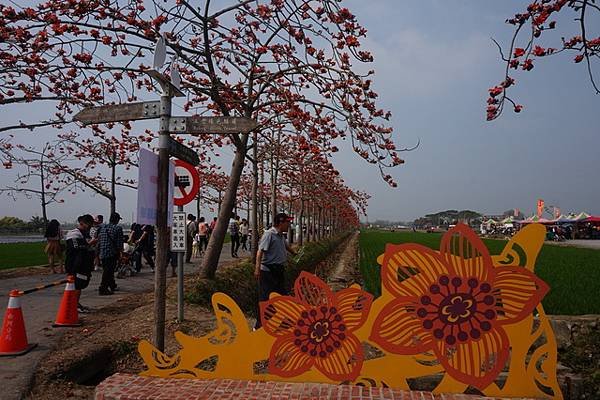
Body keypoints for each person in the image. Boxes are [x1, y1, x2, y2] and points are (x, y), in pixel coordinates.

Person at [254, 213, 296, 329]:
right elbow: (260, 252)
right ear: (281, 223)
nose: (289, 225)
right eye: (288, 222)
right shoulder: (269, 234)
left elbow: (286, 246)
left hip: (278, 271)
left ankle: (284, 323)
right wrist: (257, 269)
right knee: (265, 299)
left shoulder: (280, 236)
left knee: (282, 297)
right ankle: (258, 326)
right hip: (268, 272)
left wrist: (294, 253)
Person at [65, 214, 95, 313]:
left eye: (91, 225)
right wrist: (89, 244)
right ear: (81, 223)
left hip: (84, 265)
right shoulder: (73, 234)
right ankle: (74, 305)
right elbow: (76, 247)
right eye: (88, 224)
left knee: (81, 284)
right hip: (75, 264)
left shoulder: (86, 234)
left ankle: (76, 303)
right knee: (77, 285)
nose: (89, 227)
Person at [98, 212, 124, 295]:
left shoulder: (103, 227)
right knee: (108, 271)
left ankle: (112, 285)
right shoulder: (118, 228)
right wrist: (121, 253)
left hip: (102, 252)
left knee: (108, 270)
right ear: (116, 220)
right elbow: (119, 243)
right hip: (112, 252)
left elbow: (99, 240)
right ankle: (103, 288)